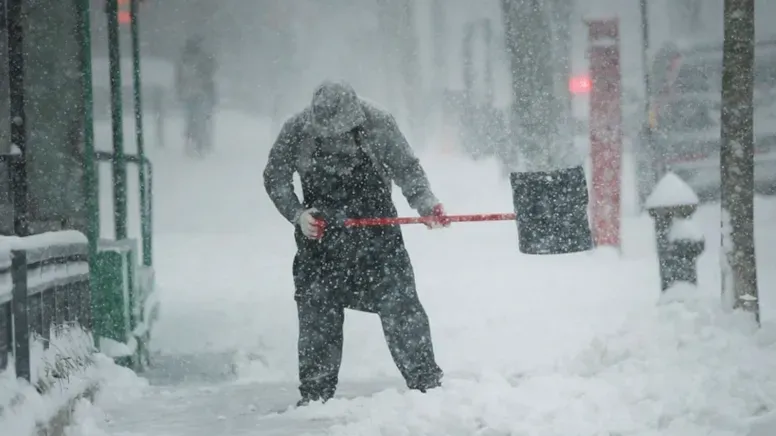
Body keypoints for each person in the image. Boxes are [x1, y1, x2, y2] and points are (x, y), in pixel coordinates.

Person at [263, 81, 449, 406]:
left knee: (402, 309)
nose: (335, 141)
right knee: (318, 318)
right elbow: (275, 176)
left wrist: (425, 203)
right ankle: (315, 396)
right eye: (328, 135)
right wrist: (297, 214)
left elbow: (407, 168)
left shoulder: (379, 123)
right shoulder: (297, 128)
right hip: (320, 243)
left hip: (378, 240)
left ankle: (427, 386)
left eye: (342, 134)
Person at [175, 35, 217, 154]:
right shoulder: (203, 59)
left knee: (192, 118)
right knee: (199, 118)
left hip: (190, 93)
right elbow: (210, 73)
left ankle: (193, 142)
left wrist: (180, 91)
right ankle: (198, 142)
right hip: (199, 93)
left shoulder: (184, 60)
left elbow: (179, 78)